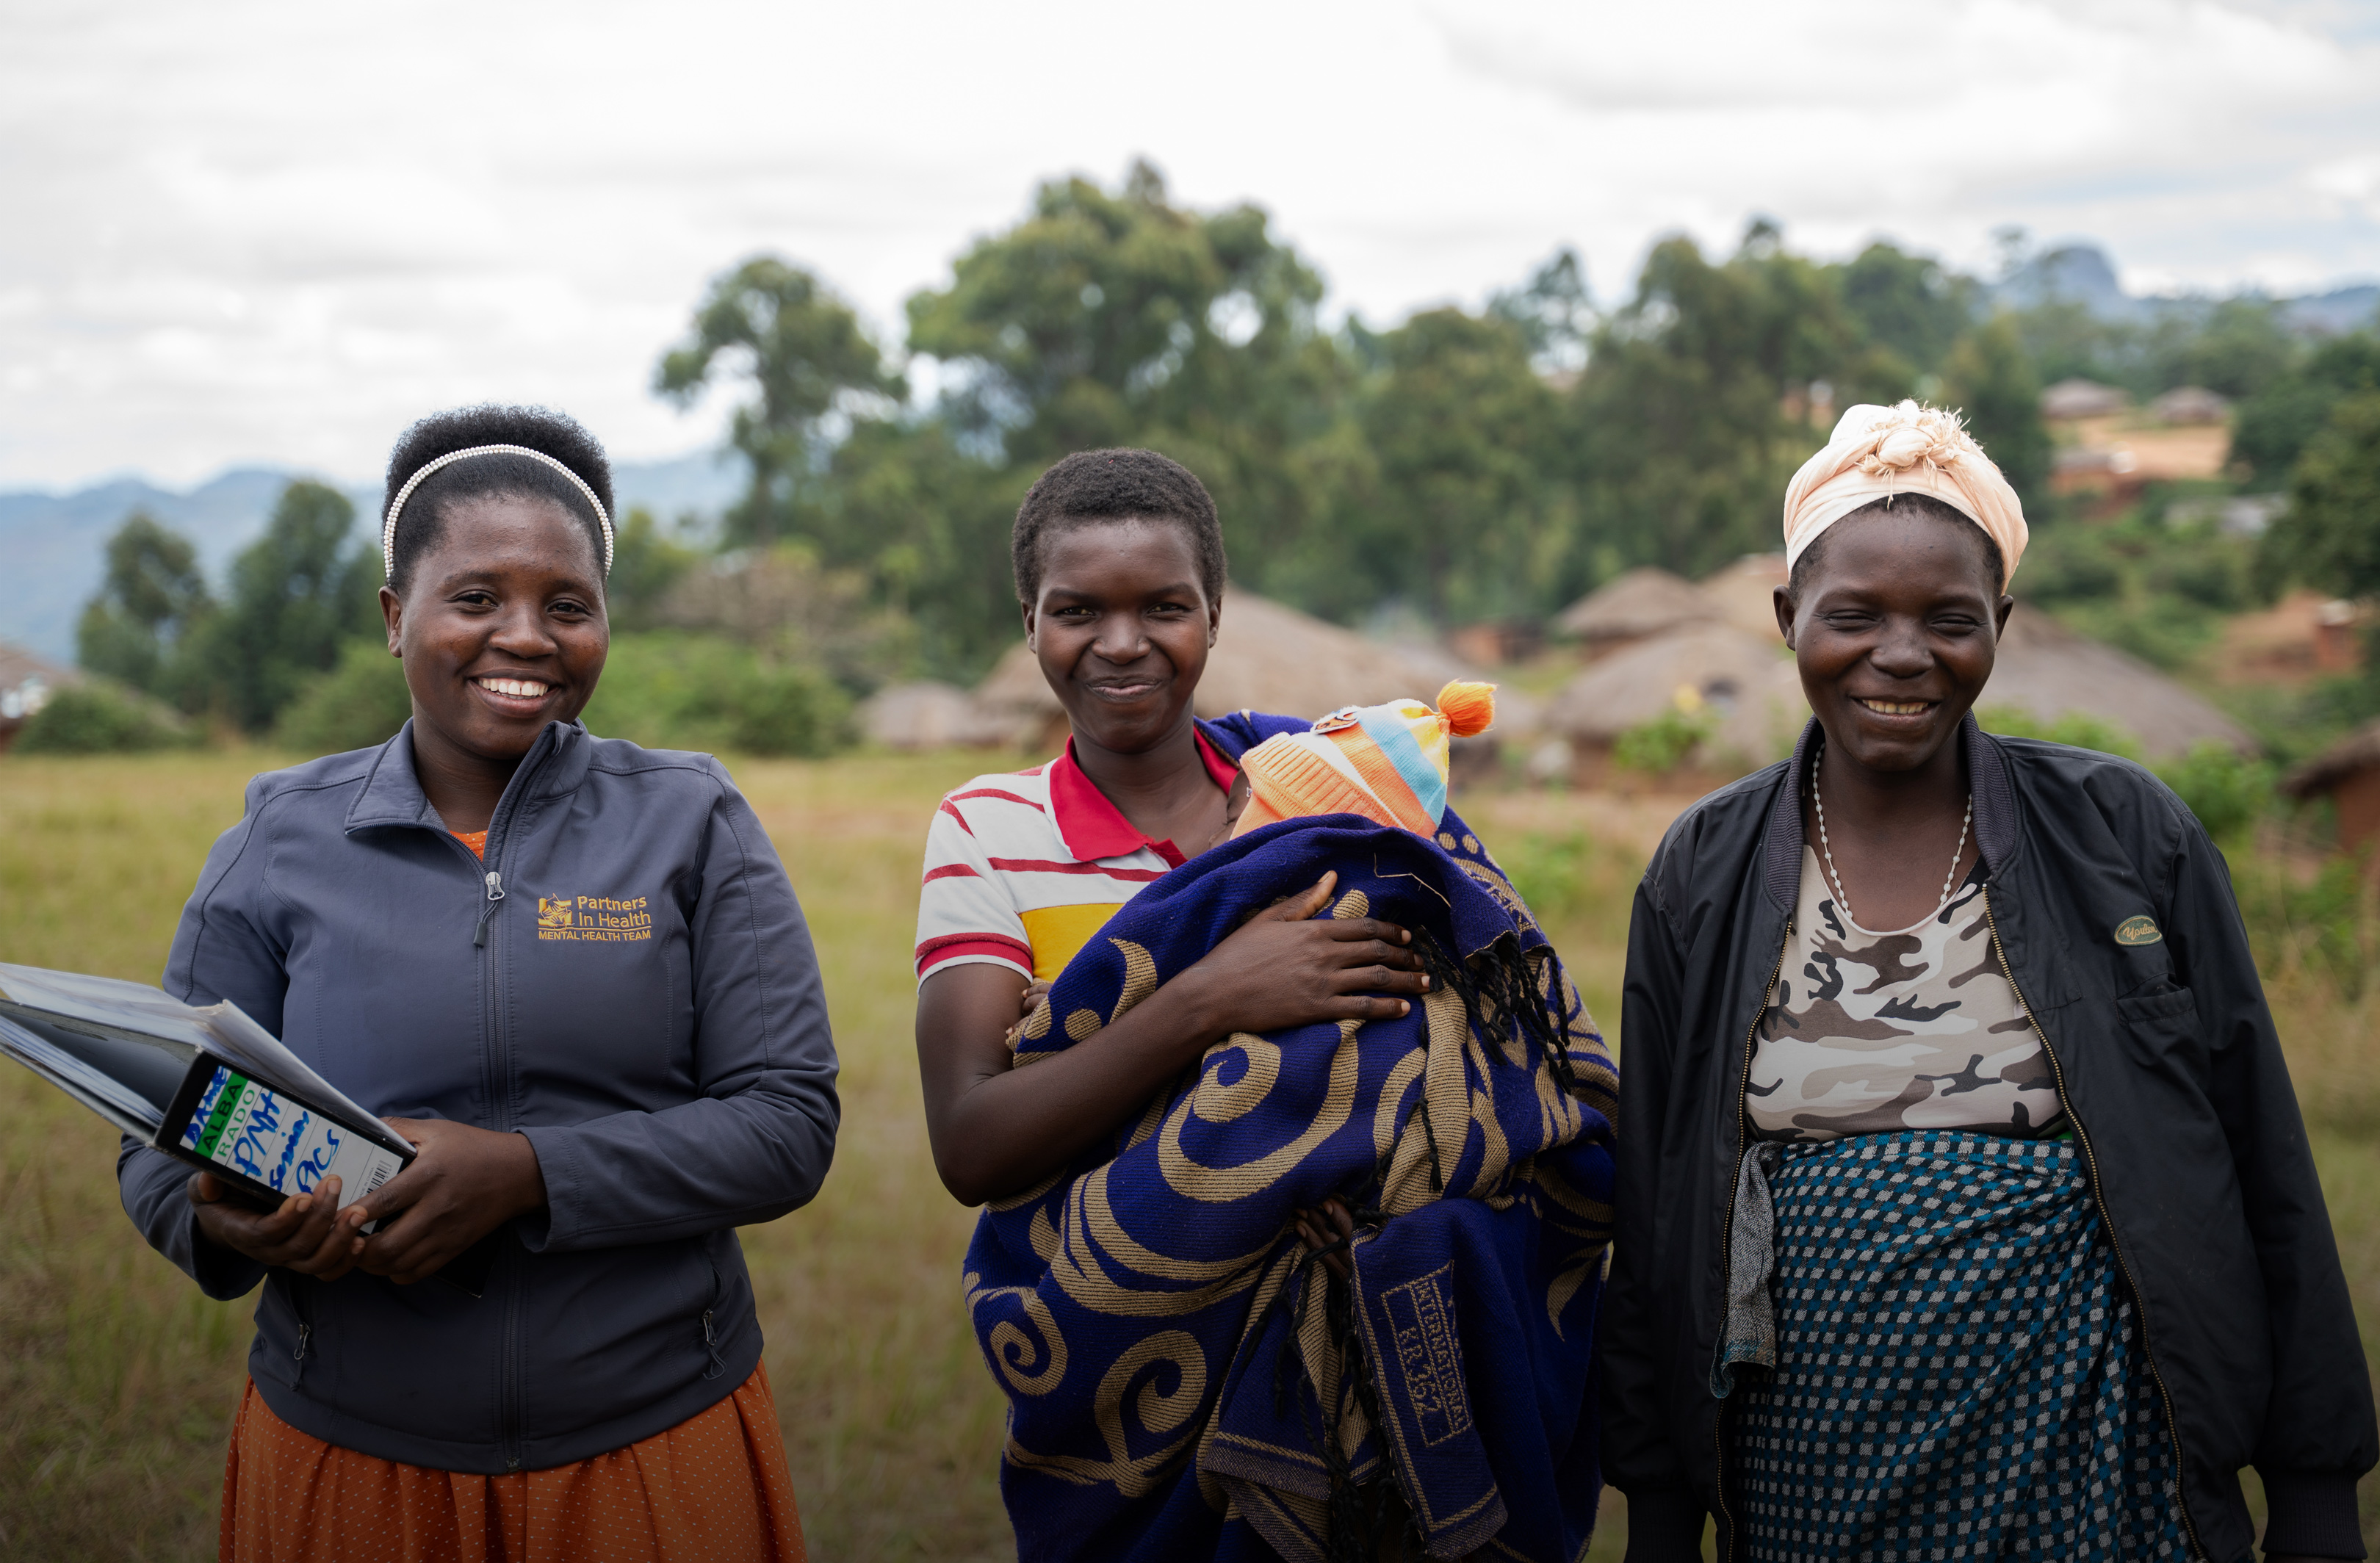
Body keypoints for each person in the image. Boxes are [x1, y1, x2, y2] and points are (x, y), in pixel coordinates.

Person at [1602, 400, 2377, 1563]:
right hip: (1805, 1480)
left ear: (2000, 625)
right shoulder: (1701, 870)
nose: (1902, 654)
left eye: (1949, 619)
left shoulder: (2127, 836)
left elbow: (2260, 1156)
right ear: (1789, 617)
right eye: (1854, 615)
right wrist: (1660, 1517)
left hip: (2097, 1473)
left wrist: (2315, 1494)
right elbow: (1659, 1209)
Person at [117, 405, 839, 1563]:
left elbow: (786, 1124)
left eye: (568, 606)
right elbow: (159, 1140)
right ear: (395, 617)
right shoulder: (279, 838)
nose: (527, 637)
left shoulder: (692, 820)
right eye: (475, 597)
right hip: (352, 1455)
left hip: (651, 1440)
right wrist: (230, 1221)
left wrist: (528, 1175)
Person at [915, 448, 1615, 1562]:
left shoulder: (1337, 796)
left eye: (1163, 607)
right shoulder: (989, 830)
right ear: (1029, 622)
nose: (1121, 642)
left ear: (1215, 614)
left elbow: (1468, 1056)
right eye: (1077, 610)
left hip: (1377, 1318)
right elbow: (972, 1142)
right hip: (1125, 1377)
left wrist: (1386, 1204)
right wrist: (1209, 998)